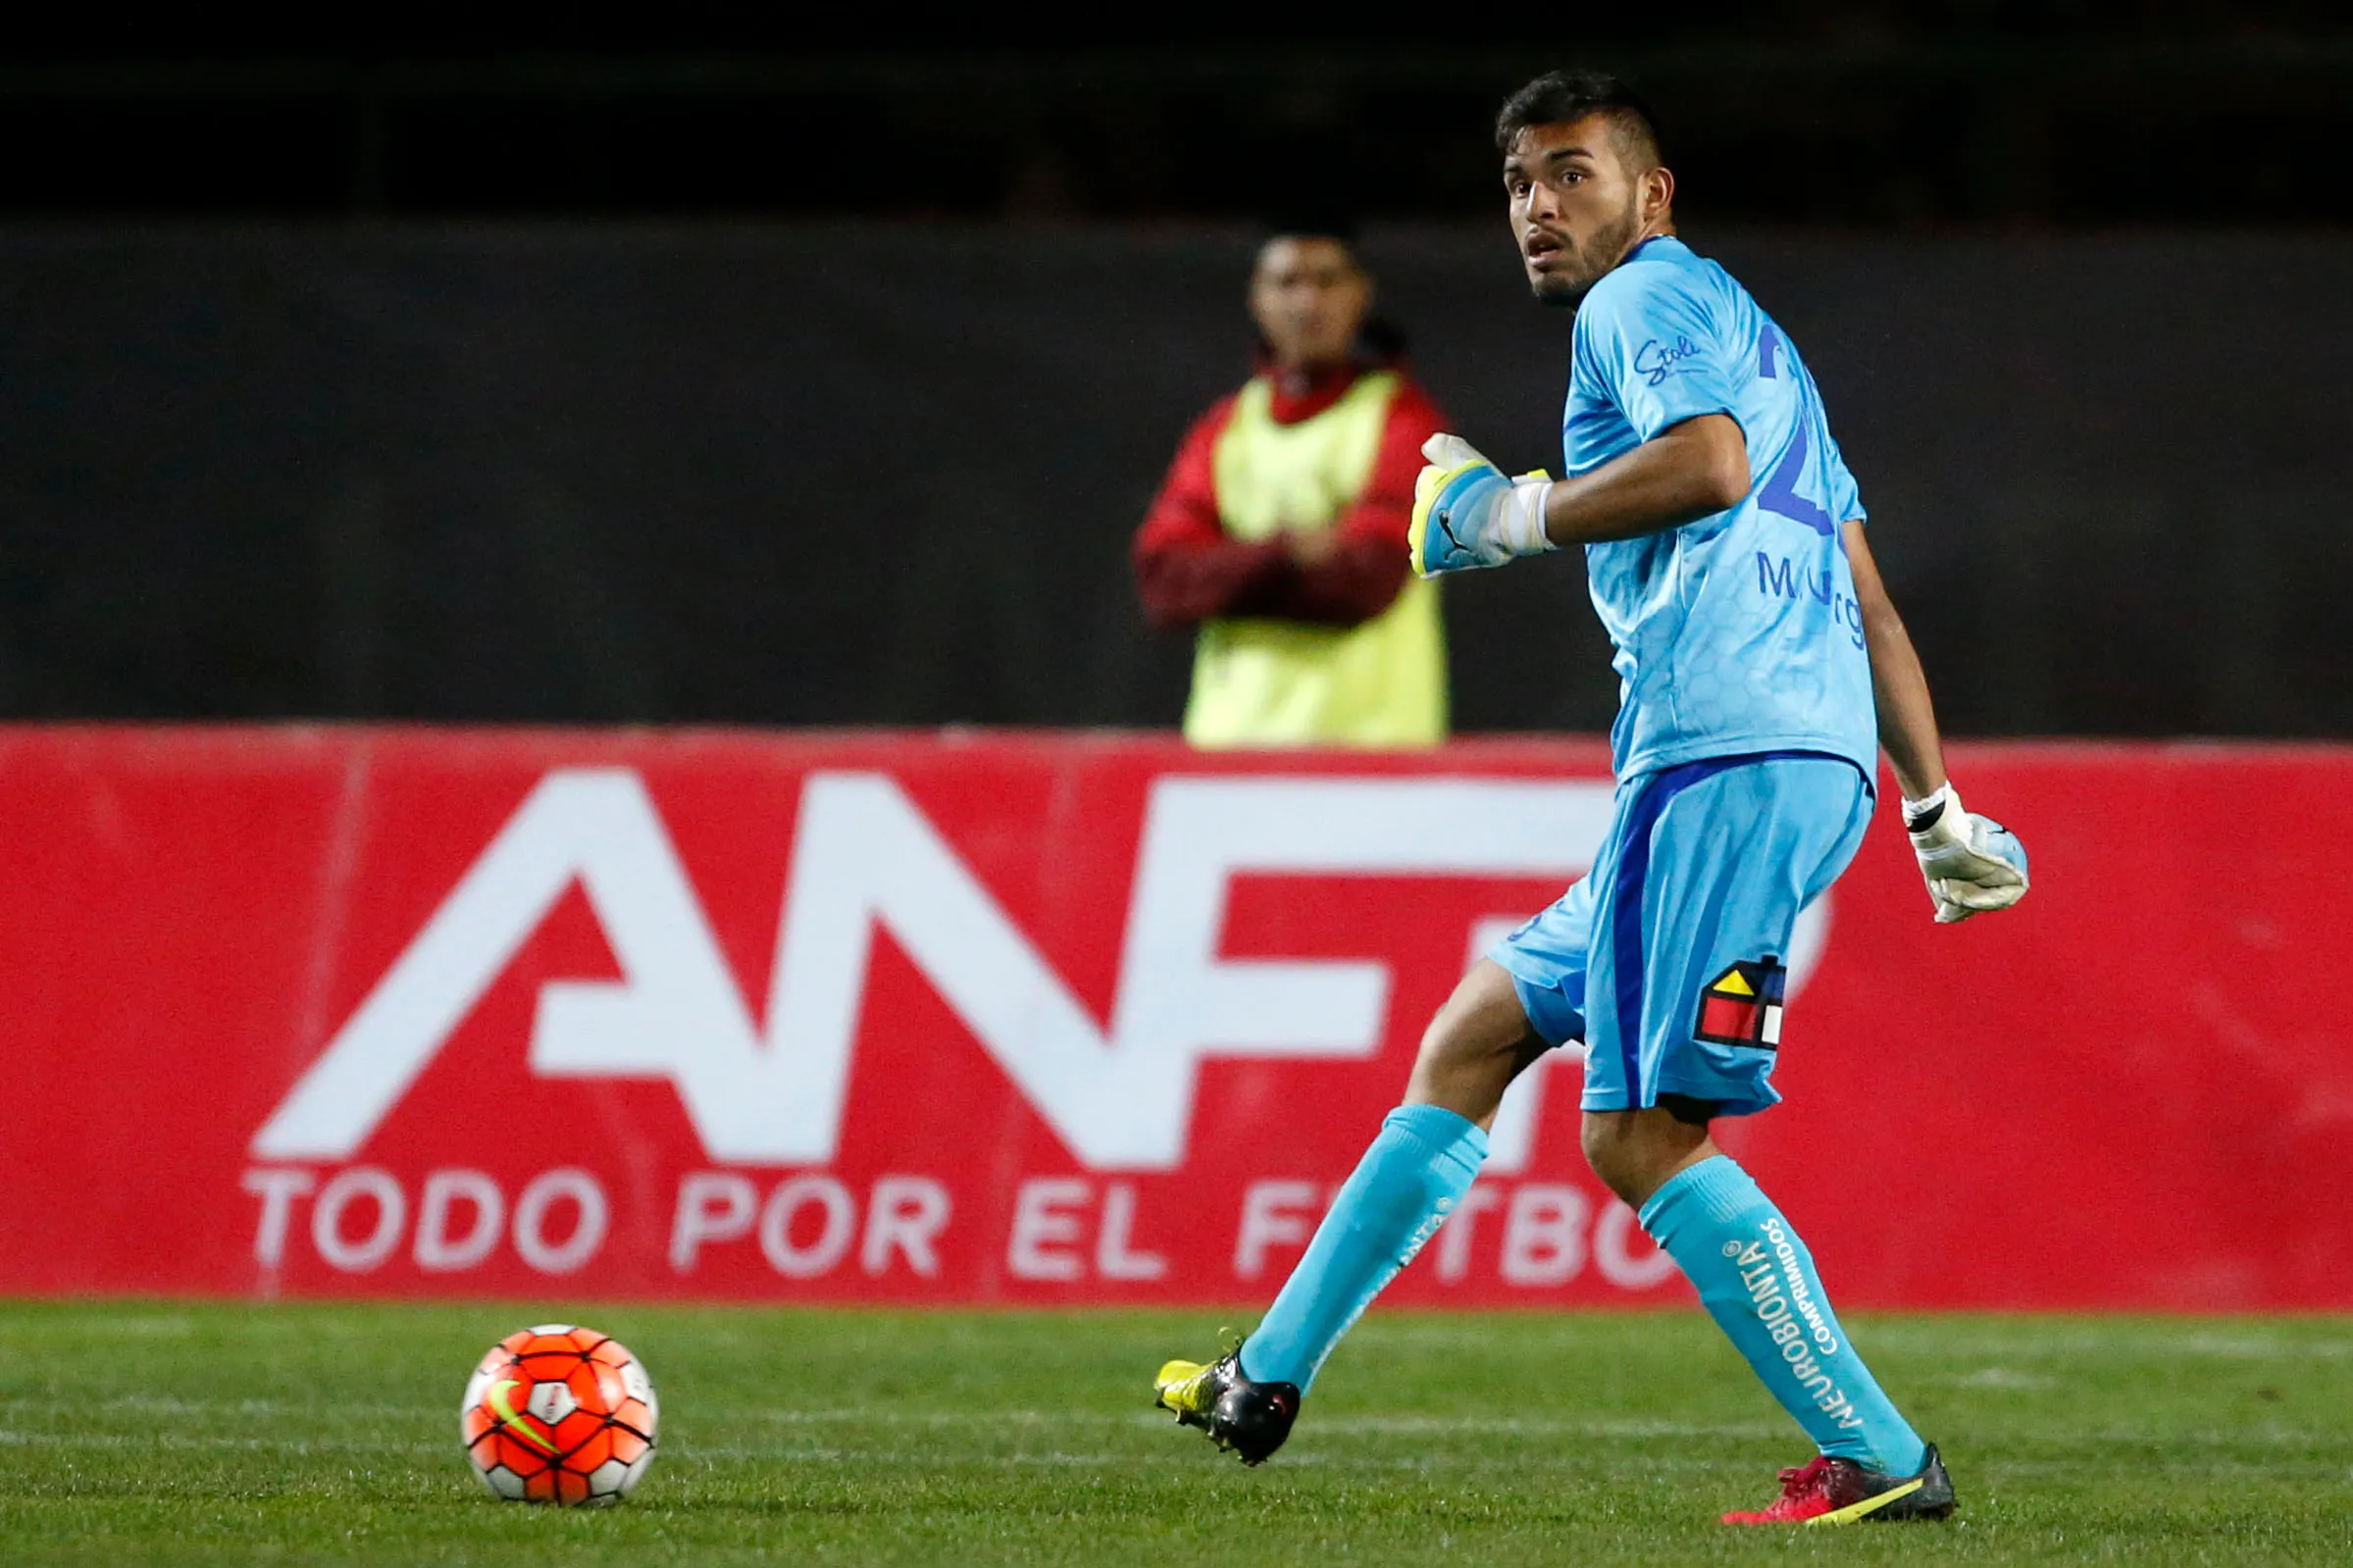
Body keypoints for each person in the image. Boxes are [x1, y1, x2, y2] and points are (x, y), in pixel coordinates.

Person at [1152, 71, 2030, 1528]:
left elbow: (1706, 467)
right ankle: (1266, 1374)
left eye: (1569, 174)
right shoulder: (1763, 346)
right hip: (1779, 762)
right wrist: (1932, 805)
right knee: (1473, 1029)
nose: (1536, 208)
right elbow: (1864, 594)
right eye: (1516, 183)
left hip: (1722, 759)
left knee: (1635, 1135)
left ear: (1650, 193)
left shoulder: (1640, 307)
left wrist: (1508, 512)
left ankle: (1880, 1457)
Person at [1133, 223, 1449, 747]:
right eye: (1287, 282)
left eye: (1326, 281)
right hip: (1229, 749)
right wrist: (1290, 553)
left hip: (1370, 753)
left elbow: (1366, 579)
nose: (1307, 302)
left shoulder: (1403, 421)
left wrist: (1228, 570)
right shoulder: (1226, 427)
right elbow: (1162, 581)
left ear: (1360, 294)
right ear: (1257, 297)